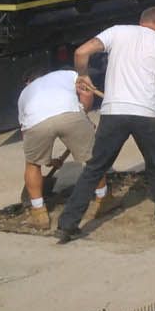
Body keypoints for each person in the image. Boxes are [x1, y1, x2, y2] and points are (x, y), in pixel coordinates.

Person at [55, 6, 155, 243]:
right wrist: (153, 104)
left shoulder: (118, 31)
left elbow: (81, 52)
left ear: (141, 20)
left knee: (95, 168)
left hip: (114, 111)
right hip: (146, 113)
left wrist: (83, 75)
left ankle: (67, 224)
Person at [17, 66, 109, 230]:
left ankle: (39, 213)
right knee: (92, 158)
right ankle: (103, 200)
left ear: (28, 82)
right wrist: (84, 117)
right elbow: (87, 92)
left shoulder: (24, 94)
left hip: (36, 122)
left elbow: (26, 132)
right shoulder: (66, 75)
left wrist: (46, 160)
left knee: (32, 165)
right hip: (69, 113)